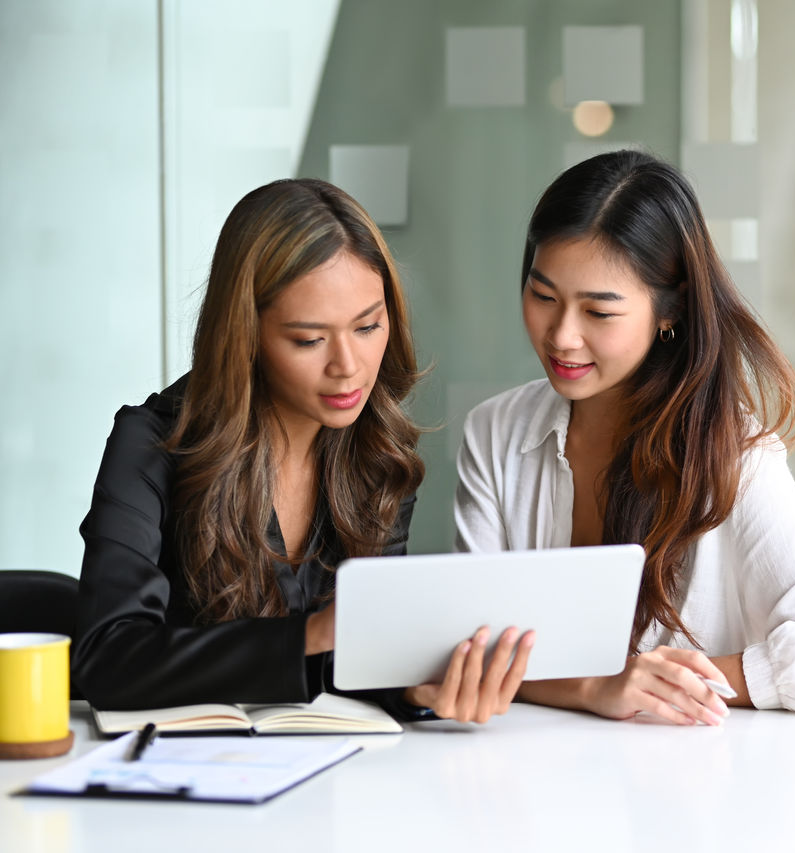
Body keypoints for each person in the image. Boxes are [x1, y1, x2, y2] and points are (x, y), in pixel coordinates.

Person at [73, 178, 531, 723]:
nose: (348, 365)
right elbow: (106, 659)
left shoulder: (378, 451)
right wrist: (309, 635)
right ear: (245, 335)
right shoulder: (152, 444)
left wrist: (414, 689)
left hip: (332, 771)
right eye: (309, 340)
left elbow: (359, 659)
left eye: (367, 326)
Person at [453, 151, 795, 724]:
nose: (561, 336)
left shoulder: (733, 456)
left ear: (668, 310)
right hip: (531, 784)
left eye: (599, 313)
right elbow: (471, 654)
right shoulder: (495, 432)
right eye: (543, 297)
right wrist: (597, 686)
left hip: (689, 789)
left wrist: (658, 682)